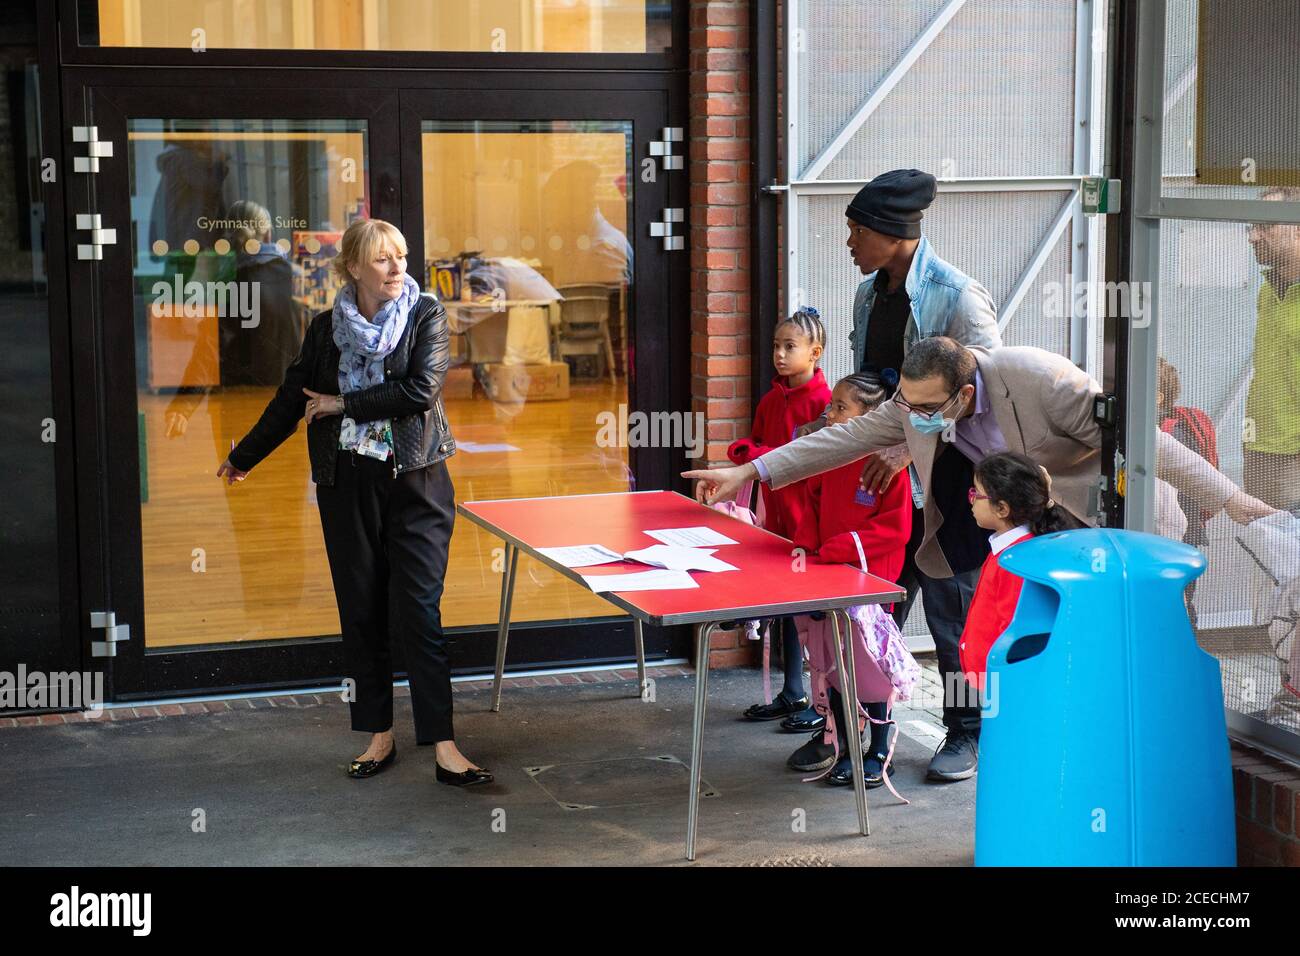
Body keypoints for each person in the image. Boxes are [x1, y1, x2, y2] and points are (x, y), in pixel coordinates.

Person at [684, 337, 1280, 779]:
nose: (913, 418)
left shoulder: (1040, 380)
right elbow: (837, 441)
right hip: (977, 515)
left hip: (1079, 519)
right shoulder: (917, 403)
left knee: (1083, 643)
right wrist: (748, 471)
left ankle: (1095, 744)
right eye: (907, 406)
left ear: (965, 393)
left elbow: (1141, 440)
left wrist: (1231, 500)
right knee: (972, 633)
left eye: (926, 407)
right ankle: (975, 735)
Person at [217, 218, 493, 787]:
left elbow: (421, 391)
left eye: (401, 255)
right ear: (353, 268)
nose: (397, 268)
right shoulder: (324, 330)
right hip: (346, 485)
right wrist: (245, 455)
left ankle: (444, 745)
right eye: (383, 259)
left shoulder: (426, 315)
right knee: (362, 610)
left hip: (416, 482)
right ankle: (378, 735)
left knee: (418, 611)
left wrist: (343, 403)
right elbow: (293, 396)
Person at [784, 169, 1004, 773]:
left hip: (947, 484)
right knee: (866, 616)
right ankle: (848, 731)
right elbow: (871, 391)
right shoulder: (867, 294)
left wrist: (909, 445)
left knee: (954, 617)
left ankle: (967, 733)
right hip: (879, 488)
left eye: (856, 230)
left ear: (891, 233)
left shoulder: (957, 296)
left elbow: (986, 385)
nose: (849, 242)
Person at [783, 371, 918, 789]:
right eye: (831, 406)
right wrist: (805, 552)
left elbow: (896, 530)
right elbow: (811, 509)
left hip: (871, 583)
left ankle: (880, 748)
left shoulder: (884, 465)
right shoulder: (828, 458)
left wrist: (840, 548)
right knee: (833, 666)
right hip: (828, 578)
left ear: (870, 417)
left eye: (841, 408)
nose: (829, 414)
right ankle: (842, 742)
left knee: (867, 666)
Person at [728, 307, 832, 722]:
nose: (780, 354)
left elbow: (811, 459)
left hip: (811, 519)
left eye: (790, 346)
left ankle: (823, 703)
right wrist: (744, 453)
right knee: (787, 606)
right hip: (777, 518)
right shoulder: (772, 399)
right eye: (776, 346)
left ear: (815, 352)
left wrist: (755, 455)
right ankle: (794, 691)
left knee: (815, 612)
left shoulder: (826, 402)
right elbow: (759, 443)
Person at [958, 452, 1085, 691]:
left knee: (995, 729)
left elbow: (1013, 632)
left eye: (976, 493)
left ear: (1002, 508)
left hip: (1002, 684)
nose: (972, 500)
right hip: (989, 679)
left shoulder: (1016, 560)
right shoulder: (1008, 548)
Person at [1244, 186, 1300, 513]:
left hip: (1294, 455)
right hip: (1261, 448)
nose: (1253, 236)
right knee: (1270, 554)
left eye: (1265, 226)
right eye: (1251, 227)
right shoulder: (1269, 289)